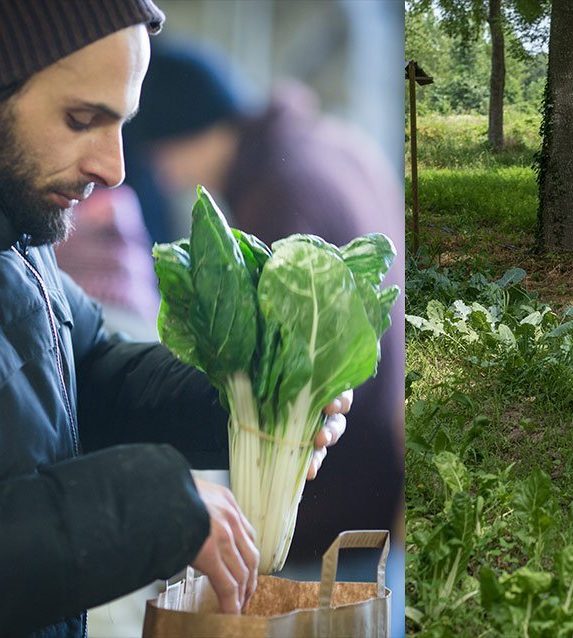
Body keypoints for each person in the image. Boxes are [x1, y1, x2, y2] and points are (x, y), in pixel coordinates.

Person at [0, 2, 355, 635]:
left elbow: (87, 365)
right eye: (81, 119)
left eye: (122, 123)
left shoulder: (4, 223)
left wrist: (244, 396)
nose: (115, 168)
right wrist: (149, 509)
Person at [125, 41, 407, 562]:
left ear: (186, 128)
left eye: (154, 152)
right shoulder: (327, 142)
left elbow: (281, 368)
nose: (158, 173)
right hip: (375, 482)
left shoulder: (279, 193)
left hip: (329, 512)